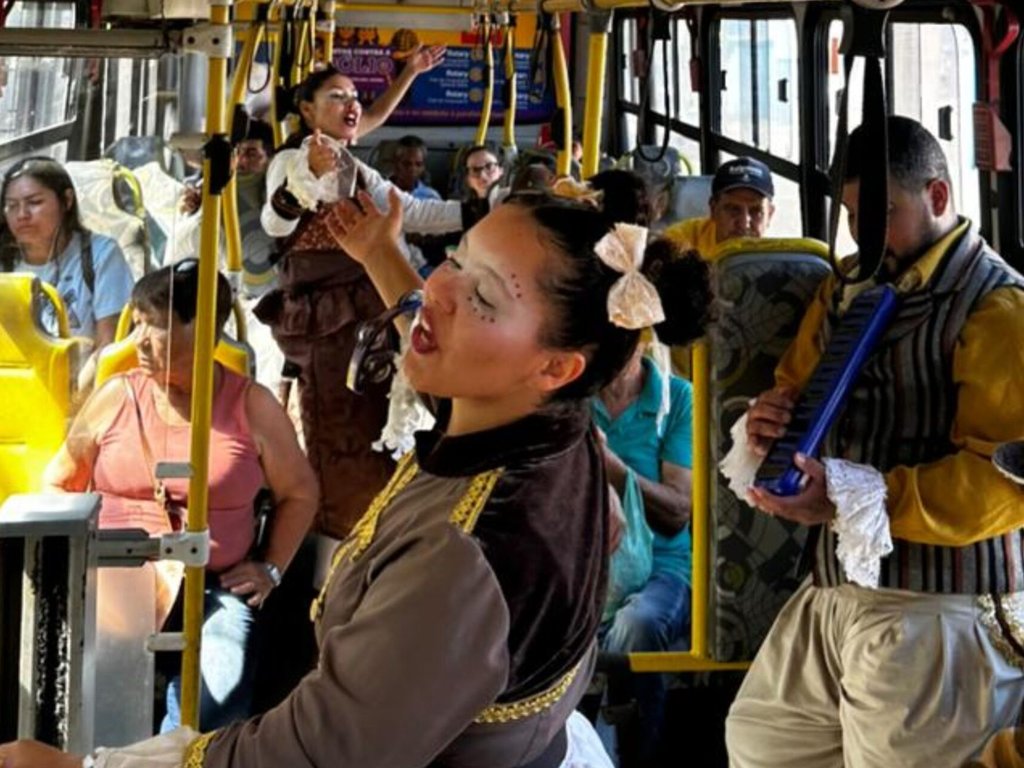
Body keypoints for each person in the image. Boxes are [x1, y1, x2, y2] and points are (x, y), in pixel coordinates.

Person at [0, 182, 711, 768]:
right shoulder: (542, 425)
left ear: (556, 367)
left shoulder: (465, 555)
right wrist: (380, 250)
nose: (438, 291)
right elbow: (424, 324)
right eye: (456, 259)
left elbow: (324, 752)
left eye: (485, 297)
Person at [724, 116, 1024, 766]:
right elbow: (796, 387)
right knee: (761, 742)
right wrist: (772, 422)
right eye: (853, 215)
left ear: (938, 198)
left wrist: (856, 497)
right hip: (836, 585)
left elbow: (1000, 483)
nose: (863, 235)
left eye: (881, 215)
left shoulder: (996, 310)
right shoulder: (847, 287)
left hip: (941, 602)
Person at [40, 260, 318, 733]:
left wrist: (270, 567)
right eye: (138, 324)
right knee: (73, 701)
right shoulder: (115, 396)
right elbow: (57, 483)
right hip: (113, 584)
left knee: (216, 702)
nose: (138, 342)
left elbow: (300, 492)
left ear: (204, 328)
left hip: (211, 587)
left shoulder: (252, 406)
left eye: (155, 325)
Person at [255, 66, 481, 544]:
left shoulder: (357, 169)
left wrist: (483, 208)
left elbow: (412, 210)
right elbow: (275, 222)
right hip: (321, 321)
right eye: (337, 96)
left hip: (363, 314)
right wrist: (306, 179)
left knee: (367, 429)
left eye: (355, 95)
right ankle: (331, 550)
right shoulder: (293, 161)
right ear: (307, 110)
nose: (352, 104)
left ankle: (368, 538)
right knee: (333, 434)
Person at [592, 249, 708, 765]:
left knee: (637, 625)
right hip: (584, 562)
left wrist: (610, 467)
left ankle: (639, 752)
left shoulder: (676, 399)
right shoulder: (570, 393)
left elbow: (677, 511)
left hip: (663, 567)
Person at [0, 156, 134, 350]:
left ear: (67, 200)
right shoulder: (5, 265)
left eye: (35, 202)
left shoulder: (101, 255)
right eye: (12, 206)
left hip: (81, 377)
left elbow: (108, 346)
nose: (22, 215)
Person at [663, 156, 775, 260]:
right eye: (733, 209)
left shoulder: (778, 259)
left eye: (756, 211)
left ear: (769, 215)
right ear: (713, 209)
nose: (744, 223)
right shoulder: (679, 244)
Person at [389, 134, 442, 200]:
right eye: (406, 164)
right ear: (395, 164)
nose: (413, 169)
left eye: (418, 164)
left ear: (423, 167)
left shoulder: (430, 197)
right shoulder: (380, 193)